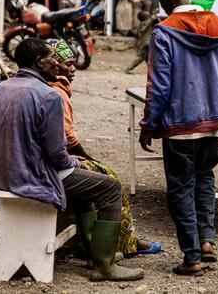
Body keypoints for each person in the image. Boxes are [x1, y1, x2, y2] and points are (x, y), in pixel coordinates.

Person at [0, 38, 144, 282]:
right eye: (52, 57)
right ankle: (104, 264)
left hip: (2, 175)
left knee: (87, 186)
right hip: (32, 176)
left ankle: (95, 251)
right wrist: (76, 162)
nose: (57, 64)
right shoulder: (47, 95)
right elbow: (57, 156)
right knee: (109, 187)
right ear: (39, 62)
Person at [139, 0, 218, 276]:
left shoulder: (163, 32)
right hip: (213, 123)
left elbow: (158, 87)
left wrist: (148, 126)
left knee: (180, 188)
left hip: (179, 126)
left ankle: (192, 257)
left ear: (163, 0)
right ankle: (208, 241)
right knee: (205, 180)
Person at [46, 39, 161, 256]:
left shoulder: (50, 87)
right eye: (68, 64)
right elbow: (68, 137)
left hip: (46, 163)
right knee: (112, 183)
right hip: (54, 166)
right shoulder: (57, 93)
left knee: (94, 179)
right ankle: (124, 245)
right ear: (53, 64)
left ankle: (88, 242)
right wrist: (88, 158)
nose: (73, 69)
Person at [124, 10, 159, 74]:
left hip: (144, 44)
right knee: (142, 57)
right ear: (145, 17)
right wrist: (156, 11)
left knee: (147, 57)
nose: (148, 13)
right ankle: (129, 68)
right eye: (147, 13)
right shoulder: (145, 23)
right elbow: (153, 18)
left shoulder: (142, 24)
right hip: (146, 44)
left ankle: (153, 70)